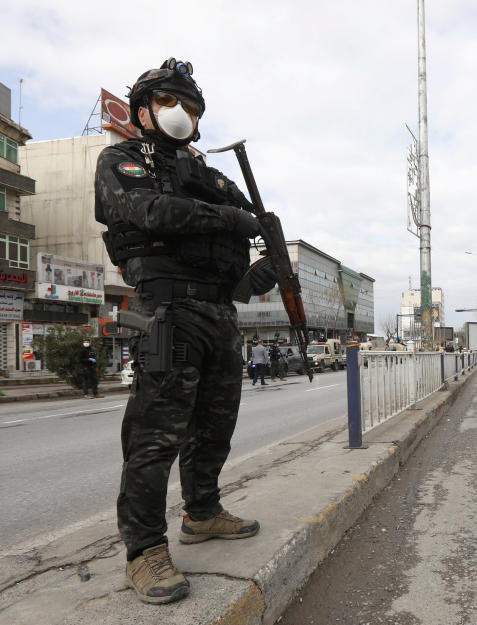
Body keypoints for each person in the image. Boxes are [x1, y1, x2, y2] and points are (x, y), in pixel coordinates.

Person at [95, 58, 276, 605]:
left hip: (221, 313)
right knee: (155, 437)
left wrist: (262, 255)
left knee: (215, 425)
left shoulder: (209, 175)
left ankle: (202, 512)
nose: (182, 114)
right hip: (168, 309)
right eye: (171, 102)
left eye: (192, 108)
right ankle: (144, 550)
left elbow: (248, 225)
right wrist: (226, 220)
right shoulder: (122, 159)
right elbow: (142, 209)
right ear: (143, 109)